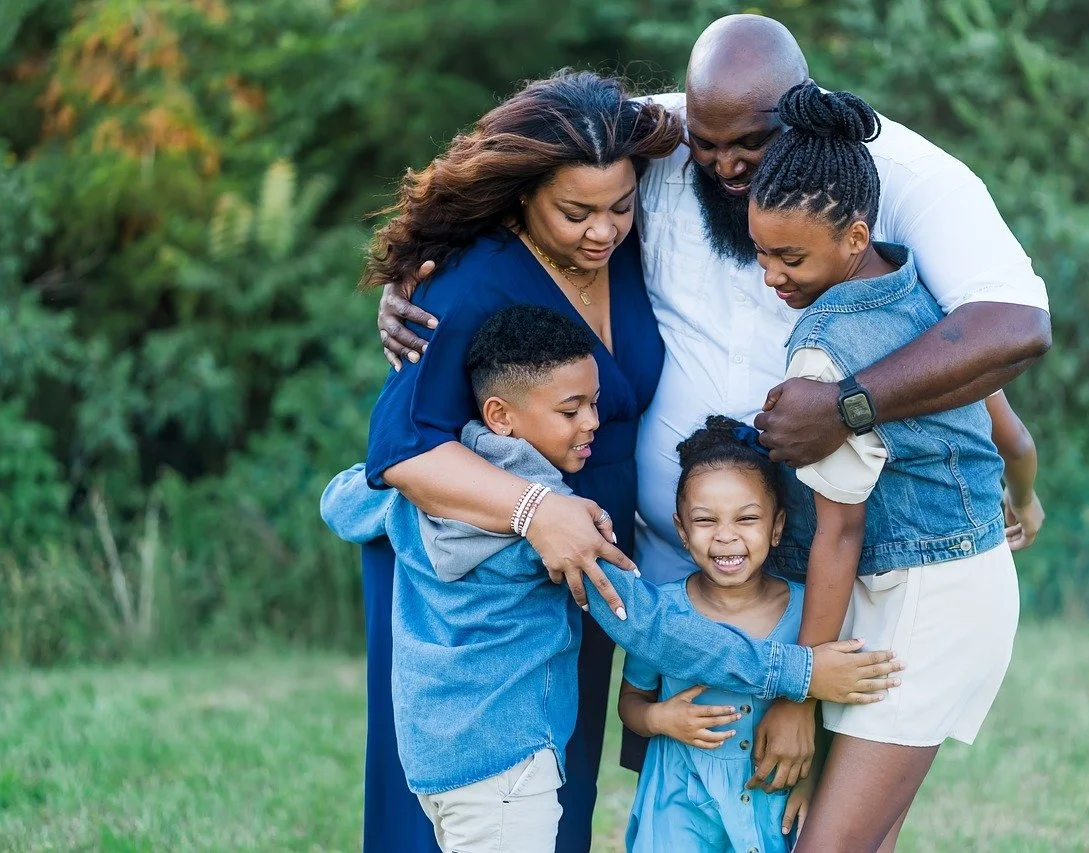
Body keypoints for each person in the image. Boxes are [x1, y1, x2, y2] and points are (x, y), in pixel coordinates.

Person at [375, 12, 1052, 840]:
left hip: (862, 576)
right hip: (681, 576)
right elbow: (540, 145)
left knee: (818, 829)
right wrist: (424, 257)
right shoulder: (664, 143)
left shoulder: (892, 191)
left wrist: (852, 411)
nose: (727, 166)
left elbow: (1008, 339)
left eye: (749, 148)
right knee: (724, 810)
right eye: (709, 146)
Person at [353, 69, 899, 852]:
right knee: (470, 790)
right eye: (575, 213)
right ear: (520, 199)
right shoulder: (466, 284)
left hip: (590, 555)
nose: (603, 231)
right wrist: (536, 511)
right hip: (480, 580)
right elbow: (399, 451)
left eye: (619, 205)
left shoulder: (626, 247)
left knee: (554, 786)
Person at [323, 307, 901, 853]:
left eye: (595, 404)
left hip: (434, 757)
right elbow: (649, 628)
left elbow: (340, 503)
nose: (593, 422)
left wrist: (404, 484)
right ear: (501, 415)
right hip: (509, 761)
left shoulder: (423, 488)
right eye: (571, 410)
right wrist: (800, 670)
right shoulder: (558, 526)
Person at [747, 81, 1026, 851]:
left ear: (854, 232)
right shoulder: (910, 282)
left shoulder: (823, 353)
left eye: (790, 256)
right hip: (955, 586)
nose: (772, 274)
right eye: (761, 251)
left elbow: (839, 534)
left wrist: (799, 693)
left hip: (923, 609)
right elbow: (996, 417)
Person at [620, 416, 842, 853]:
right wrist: (659, 719)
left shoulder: (809, 610)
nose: (726, 536)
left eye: (747, 518)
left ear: (777, 526)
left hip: (774, 800)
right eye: (705, 520)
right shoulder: (662, 613)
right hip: (679, 802)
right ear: (682, 531)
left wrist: (813, 780)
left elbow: (830, 714)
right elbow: (631, 703)